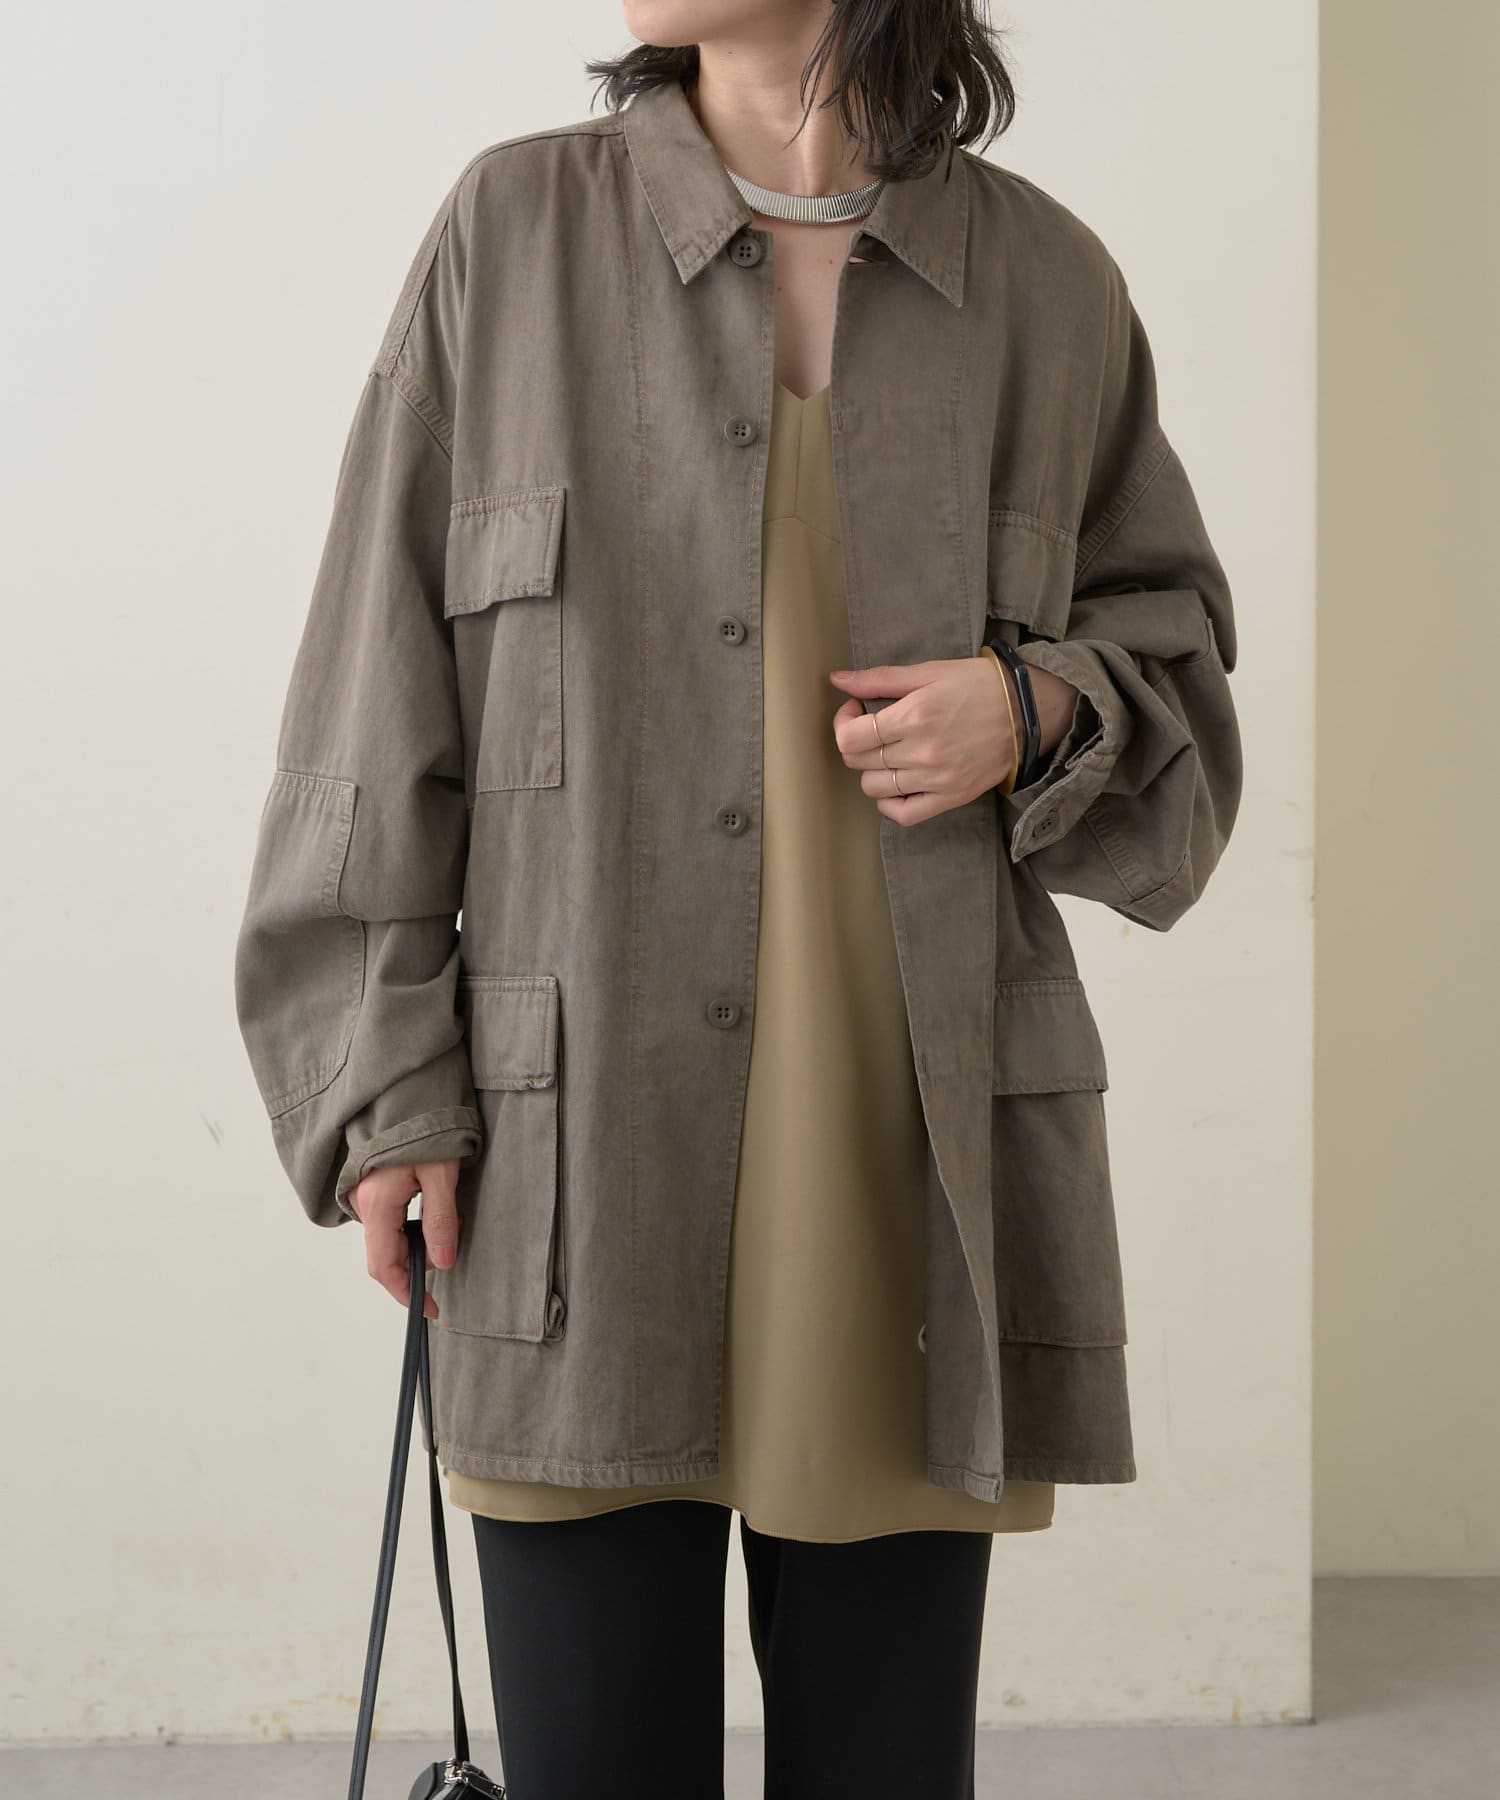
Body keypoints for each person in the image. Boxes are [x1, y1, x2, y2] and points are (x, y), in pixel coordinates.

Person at [233, 3, 1242, 1795]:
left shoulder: (1045, 284)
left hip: (906, 1169)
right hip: (575, 1171)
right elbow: (369, 710)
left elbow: (1179, 676)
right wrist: (383, 1095)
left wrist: (1031, 708)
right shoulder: (514, 233)